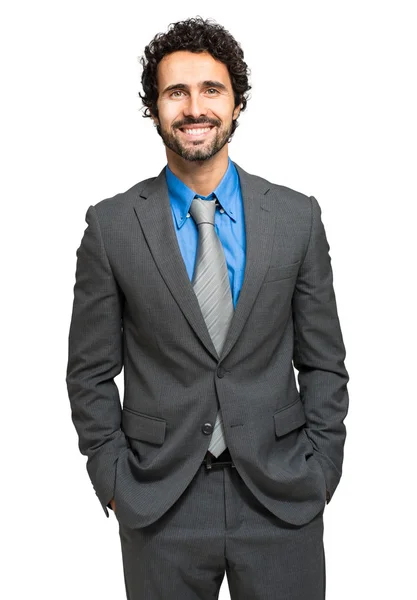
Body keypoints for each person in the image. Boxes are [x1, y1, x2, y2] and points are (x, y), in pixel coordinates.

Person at [66, 16, 349, 600]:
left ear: (237, 103)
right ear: (154, 108)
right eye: (176, 92)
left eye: (211, 90)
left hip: (280, 496)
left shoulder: (297, 218)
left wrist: (321, 470)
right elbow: (90, 372)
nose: (195, 107)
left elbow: (324, 361)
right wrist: (114, 479)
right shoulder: (112, 226)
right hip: (159, 501)